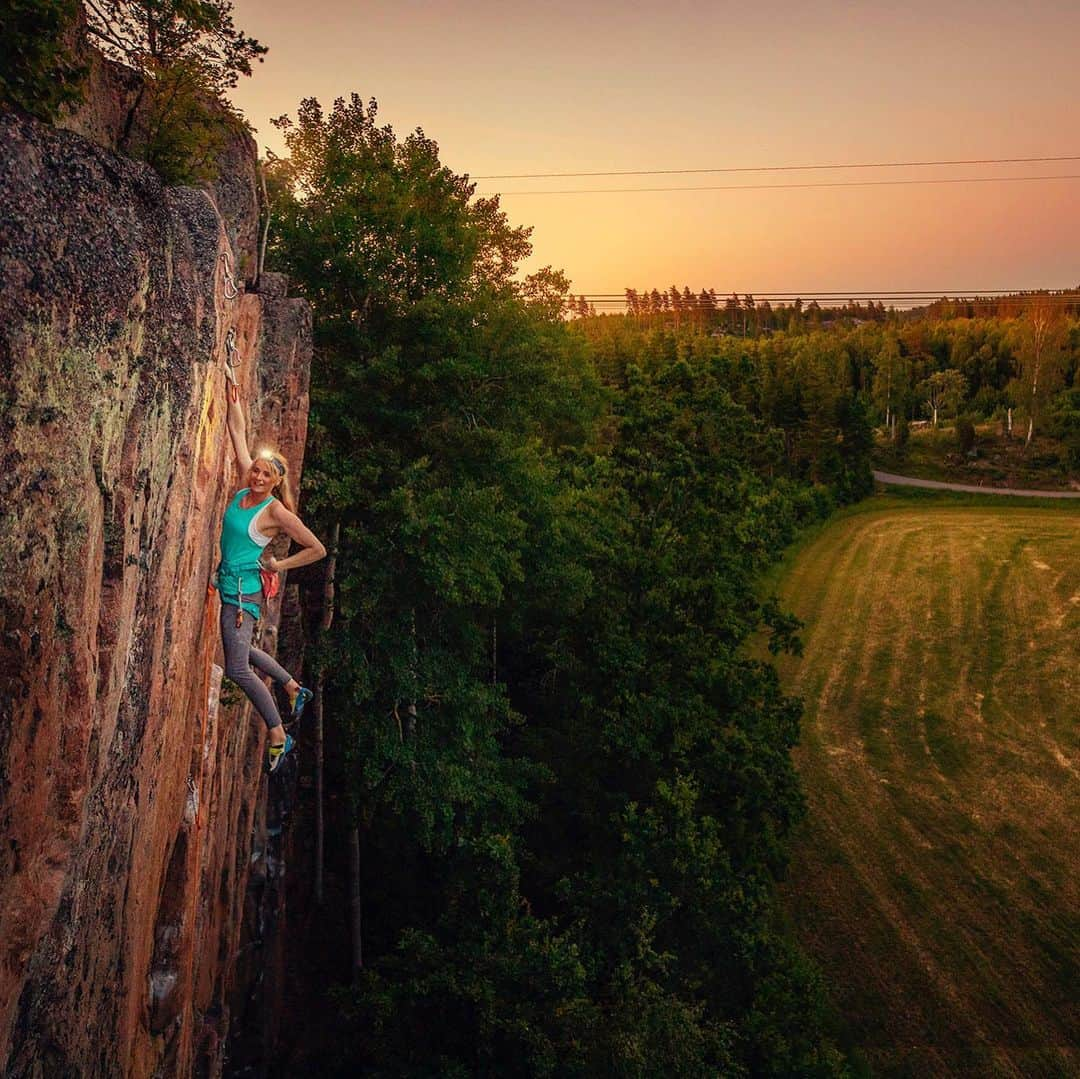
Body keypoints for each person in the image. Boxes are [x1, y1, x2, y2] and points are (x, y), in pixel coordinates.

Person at [215, 378, 326, 773]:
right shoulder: (247, 486)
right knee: (242, 654)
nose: (258, 477)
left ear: (277, 482)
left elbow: (317, 548)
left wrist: (279, 565)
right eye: (256, 472)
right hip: (229, 582)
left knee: (238, 668)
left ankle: (279, 733)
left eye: (265, 476)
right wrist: (233, 395)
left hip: (244, 594)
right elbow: (237, 432)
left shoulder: (276, 512)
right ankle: (292, 686)